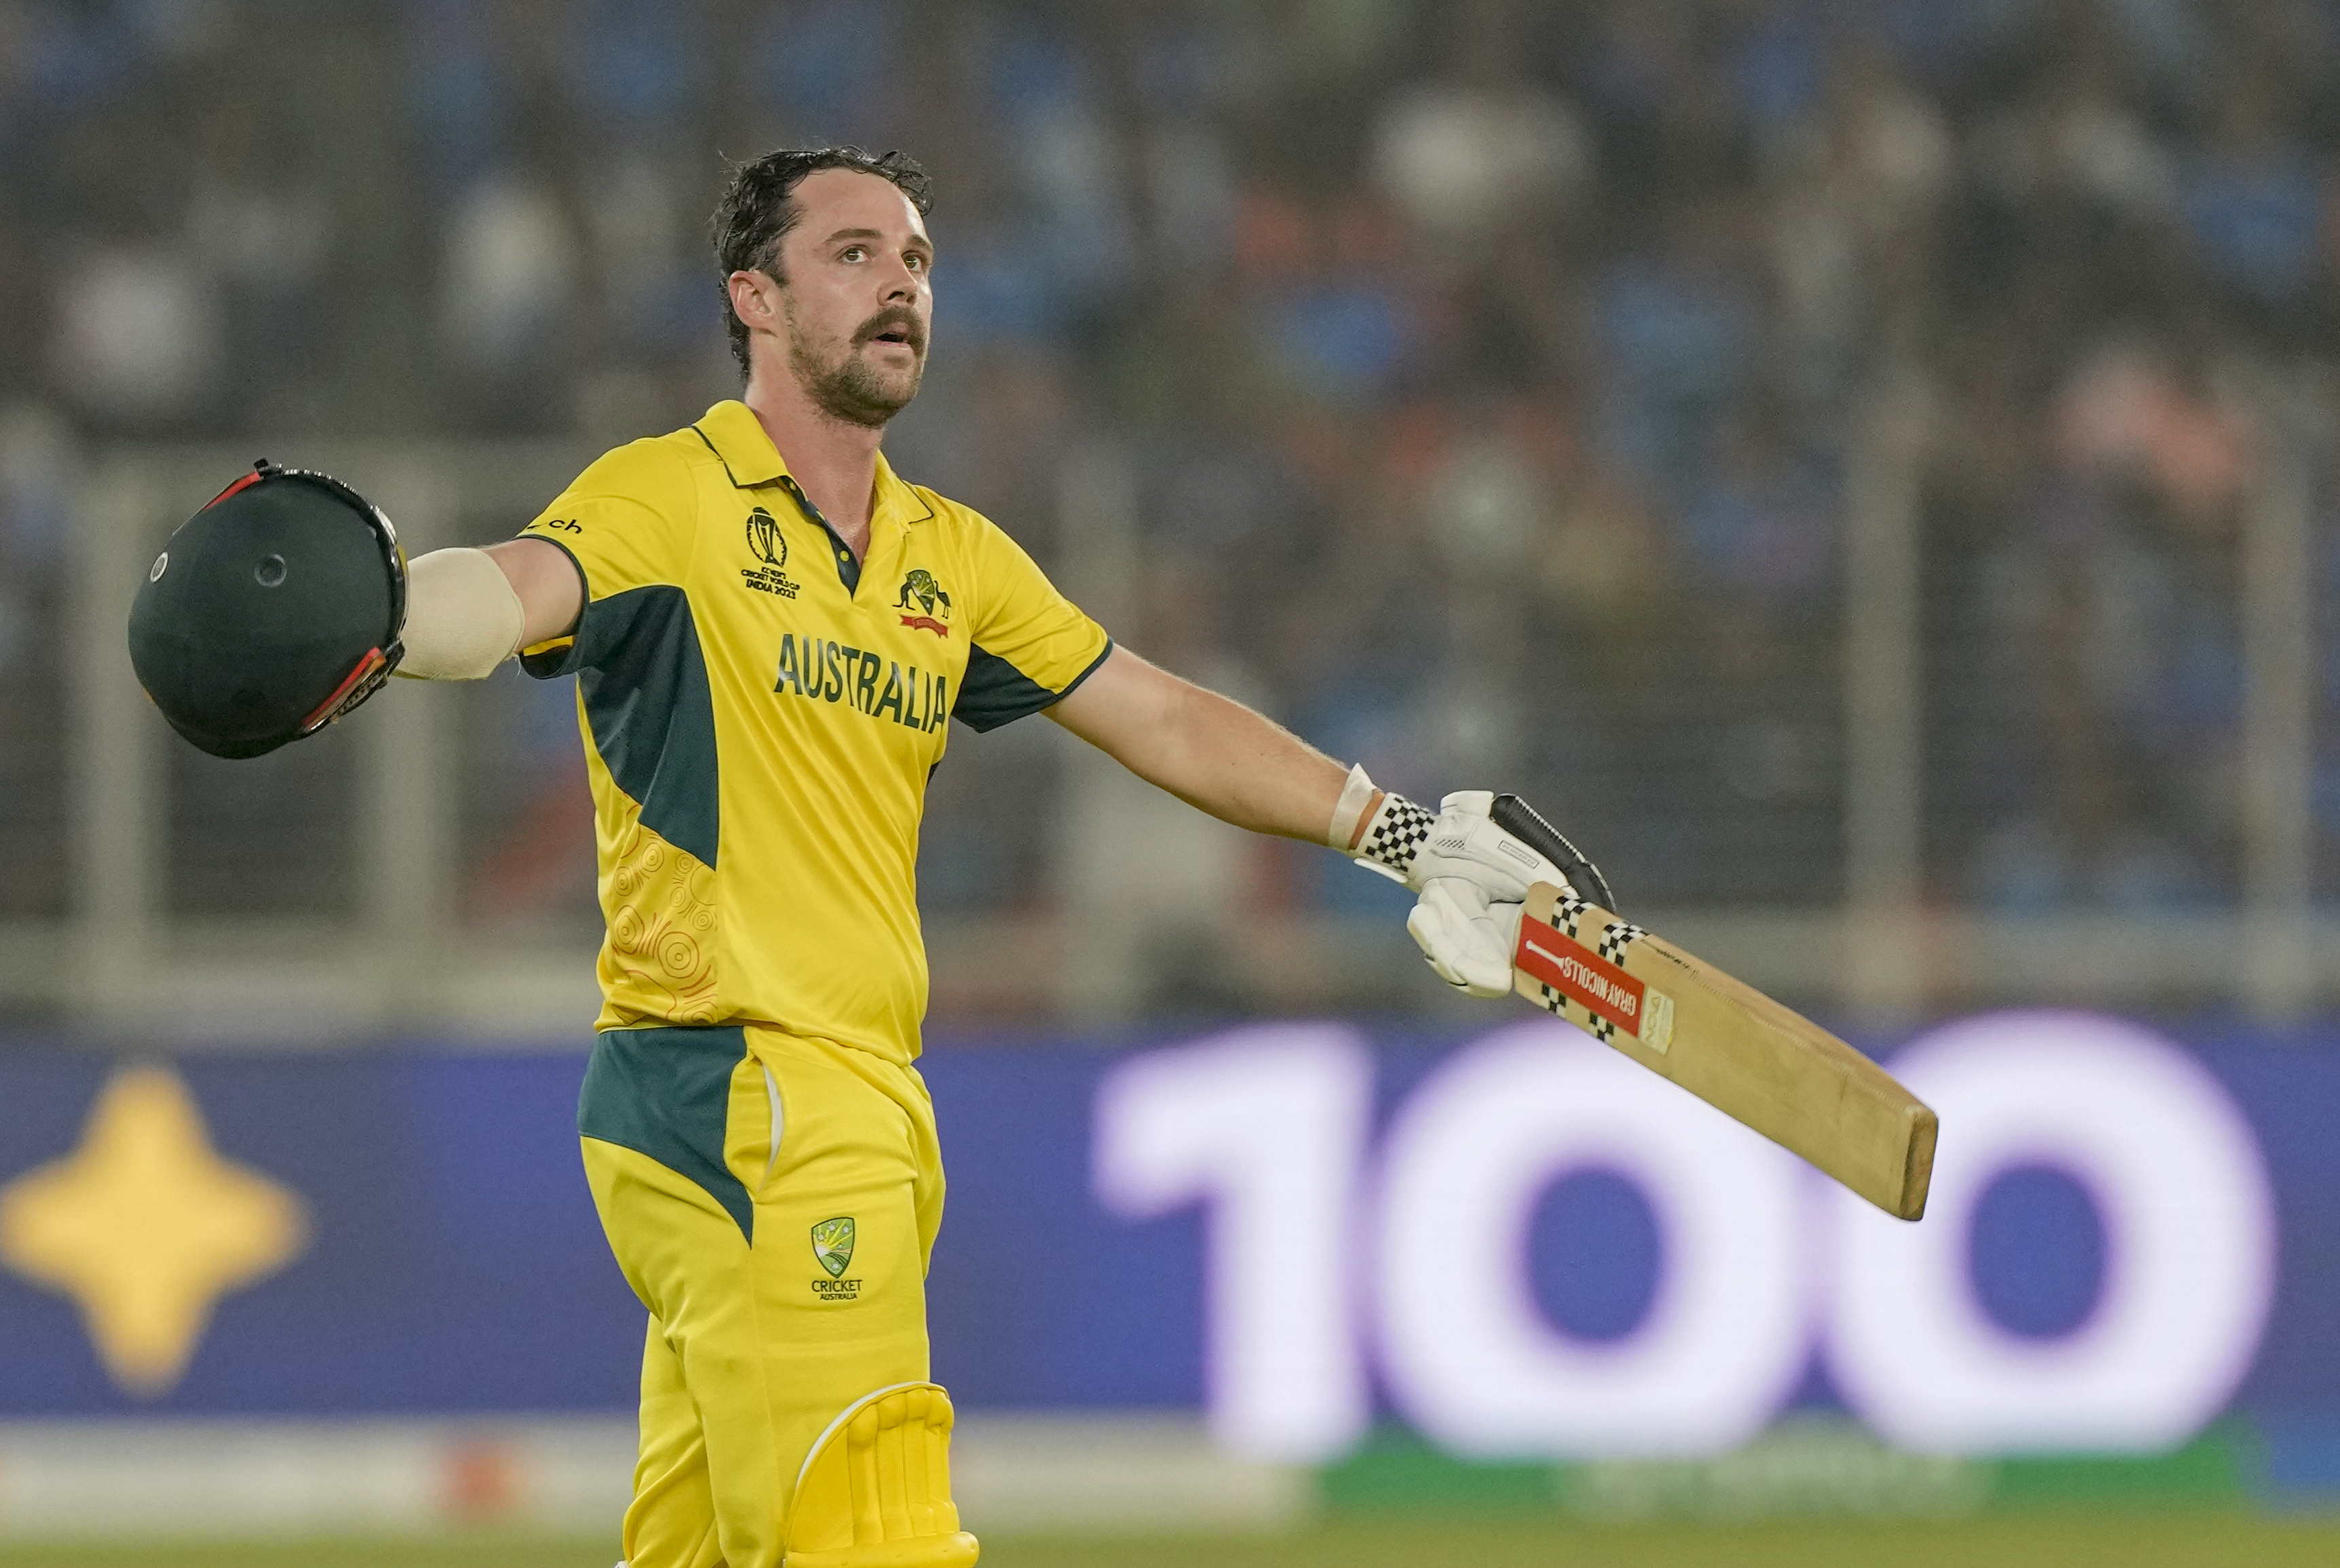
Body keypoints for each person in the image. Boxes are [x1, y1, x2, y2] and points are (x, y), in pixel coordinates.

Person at [388, 146, 1567, 1568]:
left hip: (853, 1097)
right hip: (749, 1089)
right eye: (855, 255)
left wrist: (1398, 834)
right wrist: (383, 613)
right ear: (752, 297)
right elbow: (509, 593)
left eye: (918, 261)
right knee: (871, 1538)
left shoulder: (949, 556)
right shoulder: (673, 497)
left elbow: (1160, 714)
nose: (901, 286)